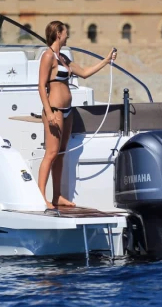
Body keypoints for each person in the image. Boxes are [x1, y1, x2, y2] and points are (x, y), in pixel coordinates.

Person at [37, 21, 116, 209]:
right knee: (51, 153)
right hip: (54, 111)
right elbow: (41, 85)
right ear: (58, 34)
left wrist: (106, 61)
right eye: (66, 32)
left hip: (67, 111)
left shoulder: (63, 58)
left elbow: (85, 73)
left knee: (61, 154)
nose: (68, 35)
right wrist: (48, 112)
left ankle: (57, 196)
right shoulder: (48, 56)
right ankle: (40, 196)